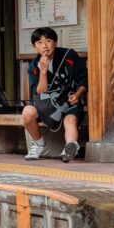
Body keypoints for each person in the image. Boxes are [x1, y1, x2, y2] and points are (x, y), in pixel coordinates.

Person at [22, 27, 87, 162]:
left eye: (48, 41)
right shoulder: (34, 66)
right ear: (35, 47)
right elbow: (40, 92)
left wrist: (78, 94)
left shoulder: (69, 55)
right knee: (27, 112)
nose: (44, 46)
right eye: (39, 43)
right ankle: (39, 144)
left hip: (69, 102)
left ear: (55, 43)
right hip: (47, 105)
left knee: (70, 120)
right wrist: (43, 71)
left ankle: (70, 148)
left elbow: (84, 78)